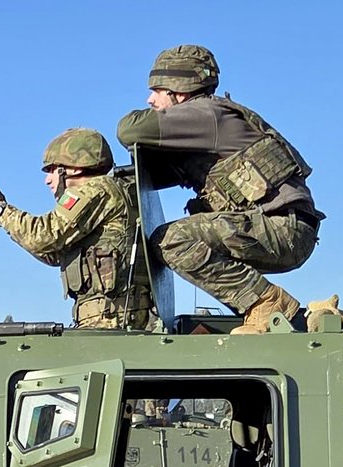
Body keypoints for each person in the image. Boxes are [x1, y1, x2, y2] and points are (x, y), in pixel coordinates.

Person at [116, 45, 323, 335]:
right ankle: (260, 311)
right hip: (283, 227)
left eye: (158, 90)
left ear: (179, 90)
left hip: (281, 228)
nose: (151, 100)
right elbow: (151, 177)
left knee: (171, 239)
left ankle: (266, 303)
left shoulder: (205, 114)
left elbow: (130, 129)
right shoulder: (203, 128)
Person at [0, 128, 155, 330]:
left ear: (74, 169)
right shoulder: (113, 191)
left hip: (109, 320)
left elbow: (43, 236)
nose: (47, 180)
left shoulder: (96, 189)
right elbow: (53, 253)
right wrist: (2, 219)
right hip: (113, 317)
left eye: (52, 170)